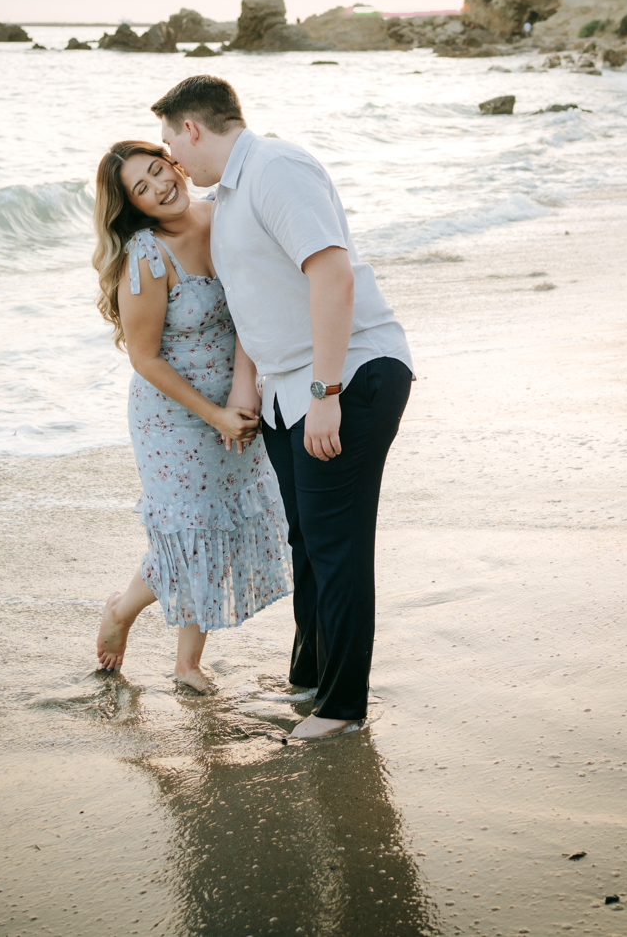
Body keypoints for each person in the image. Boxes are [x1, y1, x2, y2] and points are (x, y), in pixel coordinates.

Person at [151, 76, 414, 740]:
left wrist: (326, 394)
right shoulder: (229, 195)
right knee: (307, 543)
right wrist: (253, 389)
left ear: (191, 129)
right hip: (289, 388)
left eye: (170, 143)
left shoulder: (276, 168)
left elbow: (333, 274)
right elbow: (255, 302)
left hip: (349, 374)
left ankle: (342, 707)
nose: (175, 162)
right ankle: (310, 675)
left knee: (337, 546)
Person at [92, 139, 291, 692]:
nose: (160, 186)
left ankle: (186, 664)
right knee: (192, 532)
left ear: (175, 162)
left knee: (217, 528)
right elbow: (144, 357)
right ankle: (122, 611)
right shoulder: (146, 256)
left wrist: (241, 399)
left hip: (236, 402)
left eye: (159, 170)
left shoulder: (222, 216)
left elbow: (251, 306)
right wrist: (215, 415)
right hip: (173, 417)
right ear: (135, 206)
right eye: (142, 188)